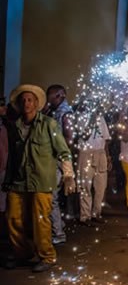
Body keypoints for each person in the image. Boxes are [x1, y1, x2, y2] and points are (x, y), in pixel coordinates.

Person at [3, 85, 74, 272]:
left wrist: (68, 176)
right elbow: (13, 156)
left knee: (40, 219)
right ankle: (22, 253)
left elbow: (63, 151)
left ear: (37, 103)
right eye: (23, 100)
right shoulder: (15, 127)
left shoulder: (49, 124)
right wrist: (8, 180)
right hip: (19, 181)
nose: (26, 103)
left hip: (42, 181)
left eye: (30, 100)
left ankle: (47, 256)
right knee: (13, 218)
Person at [45, 84, 75, 244]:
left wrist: (59, 153)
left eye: (51, 95)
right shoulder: (53, 111)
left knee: (52, 197)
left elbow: (69, 139)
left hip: (58, 159)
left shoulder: (66, 113)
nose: (48, 98)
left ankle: (58, 234)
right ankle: (58, 225)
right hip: (53, 159)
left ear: (60, 95)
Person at [75, 103, 111, 225]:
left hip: (100, 154)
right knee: (85, 186)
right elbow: (83, 136)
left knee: (101, 186)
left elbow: (106, 140)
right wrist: (91, 120)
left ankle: (96, 213)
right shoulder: (81, 117)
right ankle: (85, 216)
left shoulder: (101, 119)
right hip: (86, 153)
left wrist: (108, 157)